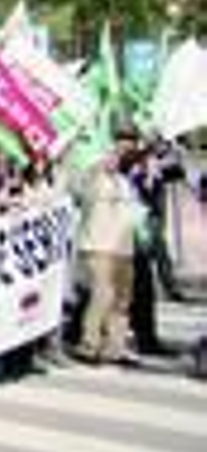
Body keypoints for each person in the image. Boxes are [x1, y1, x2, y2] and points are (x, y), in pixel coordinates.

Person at [74, 149, 141, 365]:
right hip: (98, 246)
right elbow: (79, 191)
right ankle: (89, 345)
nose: (113, 159)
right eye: (107, 155)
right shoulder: (91, 179)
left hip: (124, 248)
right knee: (102, 296)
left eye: (115, 156)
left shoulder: (125, 181)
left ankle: (115, 347)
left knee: (122, 301)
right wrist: (94, 167)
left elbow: (134, 210)